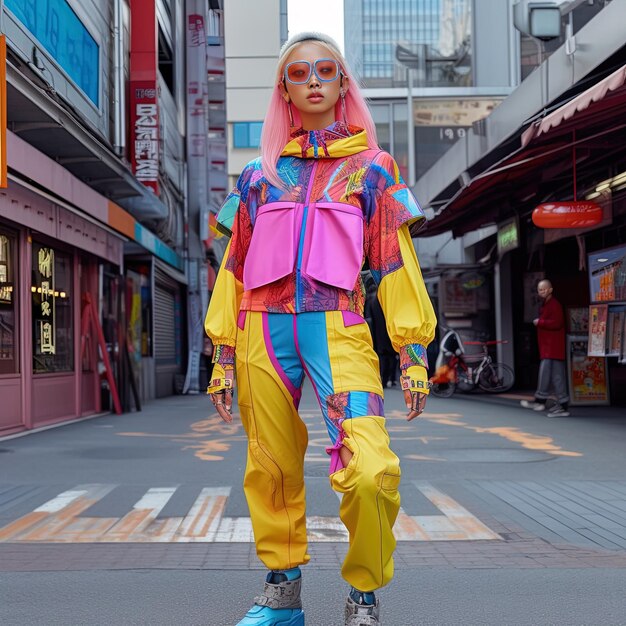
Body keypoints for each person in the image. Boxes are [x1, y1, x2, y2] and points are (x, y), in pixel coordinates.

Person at [204, 31, 436, 626]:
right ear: (283, 89)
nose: (312, 80)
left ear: (342, 83)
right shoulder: (258, 176)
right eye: (299, 72)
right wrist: (222, 352)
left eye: (325, 70)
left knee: (372, 468)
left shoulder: (374, 170)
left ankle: (364, 592)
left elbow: (393, 261)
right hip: (262, 329)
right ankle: (282, 591)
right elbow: (234, 265)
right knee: (270, 465)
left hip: (340, 327)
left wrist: (411, 351)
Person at [520, 279, 570, 417]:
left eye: (544, 289)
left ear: (550, 290)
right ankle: (559, 404)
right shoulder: (547, 304)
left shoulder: (554, 305)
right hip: (550, 347)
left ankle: (541, 400)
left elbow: (557, 323)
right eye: (539, 289)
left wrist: (540, 322)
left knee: (549, 374)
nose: (541, 291)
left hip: (552, 347)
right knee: (555, 376)